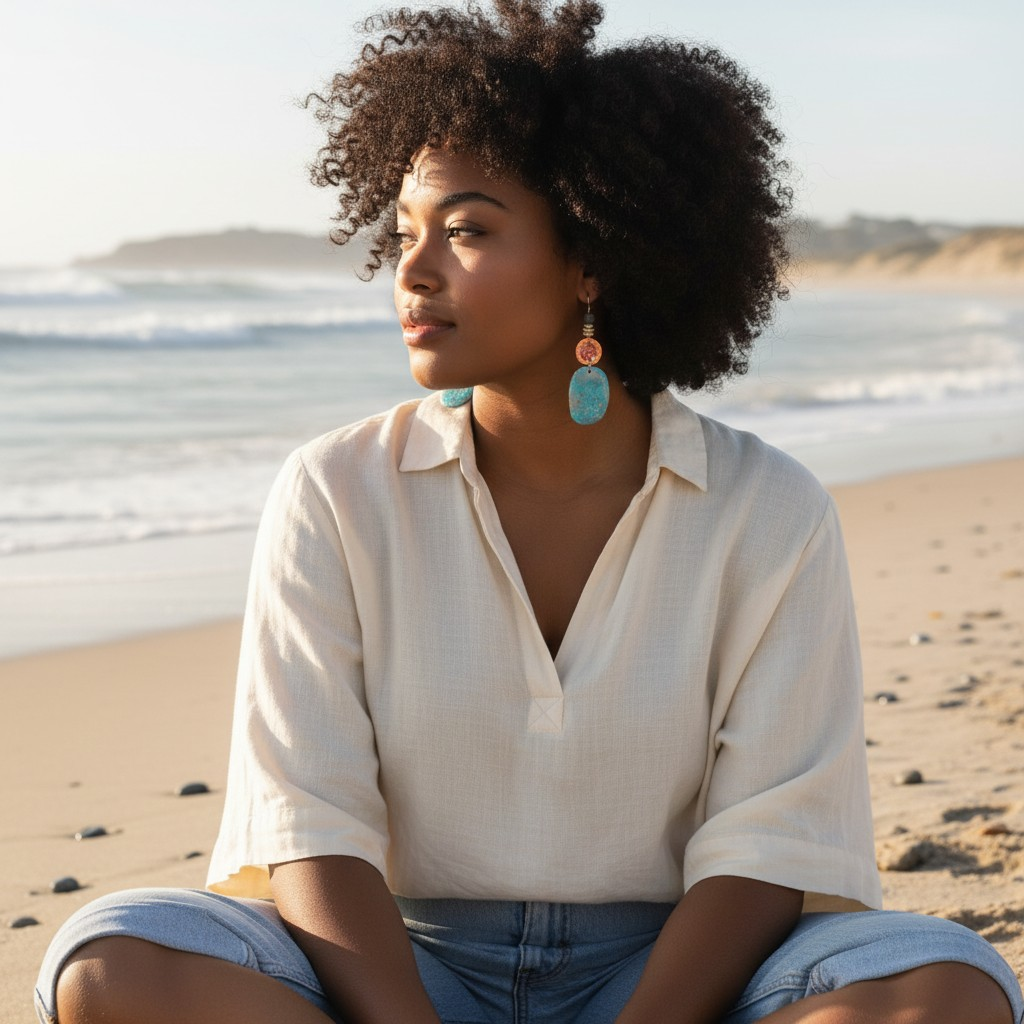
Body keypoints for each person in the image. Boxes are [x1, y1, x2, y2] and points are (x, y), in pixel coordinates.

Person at [36, 3, 1023, 1023]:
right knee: (114, 966)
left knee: (943, 990)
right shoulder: (334, 489)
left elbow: (769, 844)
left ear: (592, 260)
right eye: (405, 230)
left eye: (465, 230)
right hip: (396, 966)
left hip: (681, 973)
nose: (412, 270)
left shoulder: (767, 511)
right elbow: (309, 821)